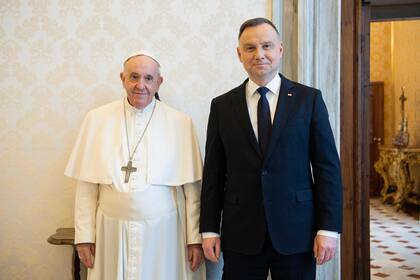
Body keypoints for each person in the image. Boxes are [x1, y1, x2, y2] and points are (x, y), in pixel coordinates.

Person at [199, 18, 343, 279]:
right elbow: (214, 173)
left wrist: (328, 228)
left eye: (267, 45)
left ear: (280, 49)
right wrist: (209, 229)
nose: (259, 54)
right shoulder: (222, 106)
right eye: (250, 48)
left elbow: (327, 168)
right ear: (239, 54)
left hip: (297, 231)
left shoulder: (308, 99)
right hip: (240, 232)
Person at [65, 51, 206, 280]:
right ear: (122, 78)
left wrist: (194, 240)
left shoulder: (180, 123)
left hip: (165, 234)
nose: (141, 85)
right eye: (134, 77)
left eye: (149, 78)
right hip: (110, 233)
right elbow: (86, 188)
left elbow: (192, 191)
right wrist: (84, 237)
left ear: (159, 82)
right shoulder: (97, 119)